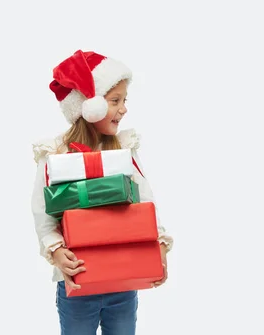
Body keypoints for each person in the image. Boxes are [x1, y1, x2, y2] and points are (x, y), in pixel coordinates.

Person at [30, 49, 174, 335]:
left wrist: (158, 246)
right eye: (115, 101)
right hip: (78, 282)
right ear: (89, 105)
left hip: (123, 283)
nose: (124, 109)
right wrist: (57, 252)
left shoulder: (123, 149)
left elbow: (145, 201)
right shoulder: (55, 154)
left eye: (124, 100)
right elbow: (43, 215)